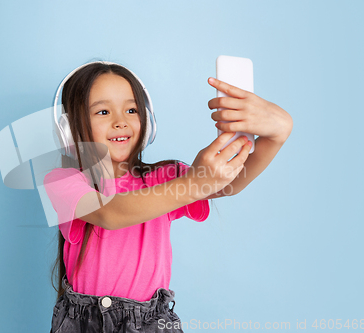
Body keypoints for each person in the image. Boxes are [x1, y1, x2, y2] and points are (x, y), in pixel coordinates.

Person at [44, 61, 293, 333]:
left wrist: (278, 133)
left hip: (150, 323)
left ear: (148, 122)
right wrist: (192, 183)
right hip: (84, 323)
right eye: (103, 111)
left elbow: (231, 182)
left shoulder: (163, 178)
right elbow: (109, 213)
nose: (121, 121)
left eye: (131, 110)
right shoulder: (63, 181)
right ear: (68, 130)